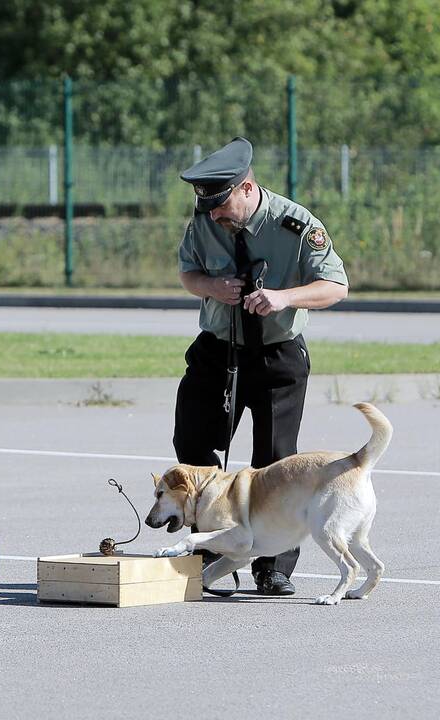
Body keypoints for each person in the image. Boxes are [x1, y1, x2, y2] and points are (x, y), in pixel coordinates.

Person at [173, 136, 349, 595]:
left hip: (276, 356)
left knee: (274, 463)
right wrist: (212, 286)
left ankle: (271, 565)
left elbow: (335, 286)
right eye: (208, 207)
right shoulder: (203, 219)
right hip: (218, 348)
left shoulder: (295, 224)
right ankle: (212, 549)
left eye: (222, 205)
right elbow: (188, 273)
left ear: (247, 188)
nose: (215, 216)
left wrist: (283, 297)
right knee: (192, 444)